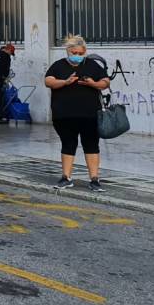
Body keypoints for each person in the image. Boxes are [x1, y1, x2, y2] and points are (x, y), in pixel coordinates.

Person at [45, 34, 110, 192]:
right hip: (64, 115)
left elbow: (105, 82)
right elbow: (48, 81)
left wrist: (93, 83)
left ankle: (94, 179)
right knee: (68, 144)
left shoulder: (92, 65)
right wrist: (65, 82)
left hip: (90, 115)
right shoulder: (58, 65)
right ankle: (66, 177)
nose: (77, 56)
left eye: (81, 53)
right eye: (74, 53)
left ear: (85, 51)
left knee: (91, 145)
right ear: (68, 51)